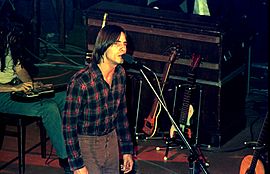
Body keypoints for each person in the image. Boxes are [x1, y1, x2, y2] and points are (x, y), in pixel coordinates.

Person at [0, 22, 72, 173]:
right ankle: (66, 160)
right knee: (49, 108)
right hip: (3, 95)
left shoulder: (9, 46)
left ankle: (74, 147)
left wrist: (28, 84)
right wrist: (14, 88)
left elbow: (19, 68)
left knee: (65, 97)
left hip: (14, 88)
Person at [62, 25, 134, 174]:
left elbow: (121, 114)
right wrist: (77, 164)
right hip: (87, 142)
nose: (123, 49)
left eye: (124, 44)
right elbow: (69, 127)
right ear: (103, 46)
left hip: (111, 139)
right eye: (117, 44)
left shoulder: (120, 73)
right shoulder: (81, 82)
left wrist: (127, 150)